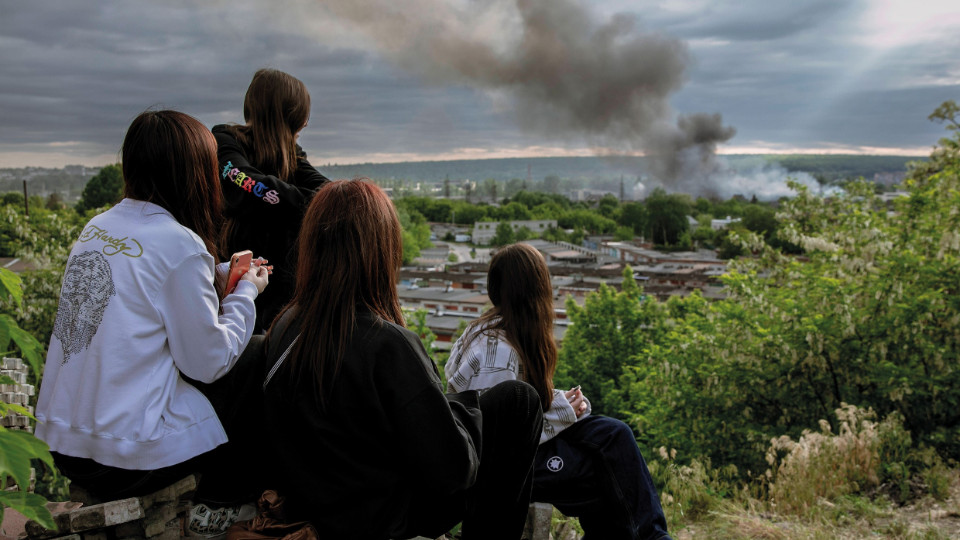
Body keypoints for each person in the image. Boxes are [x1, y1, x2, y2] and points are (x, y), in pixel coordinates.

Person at [261, 179, 544, 539]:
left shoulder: (285, 326)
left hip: (316, 503)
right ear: (381, 250)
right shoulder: (386, 343)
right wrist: (459, 411)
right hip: (382, 519)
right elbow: (454, 472)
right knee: (519, 401)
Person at [34, 110, 270, 502]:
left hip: (68, 445)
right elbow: (208, 362)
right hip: (124, 455)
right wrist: (246, 293)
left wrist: (219, 274)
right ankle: (224, 504)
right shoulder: (181, 244)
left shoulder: (96, 227)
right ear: (193, 172)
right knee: (258, 355)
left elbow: (146, 286)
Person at [446, 243, 673, 540]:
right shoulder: (496, 351)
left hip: (518, 449)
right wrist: (563, 413)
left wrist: (562, 404)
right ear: (537, 291)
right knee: (599, 474)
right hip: (500, 470)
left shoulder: (505, 332)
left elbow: (520, 411)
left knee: (615, 433)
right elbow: (498, 444)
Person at [213, 68, 329, 331]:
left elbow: (327, 192)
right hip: (234, 283)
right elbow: (251, 187)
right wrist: (308, 204)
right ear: (289, 114)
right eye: (303, 114)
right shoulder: (225, 141)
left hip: (284, 290)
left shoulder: (292, 154)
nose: (306, 123)